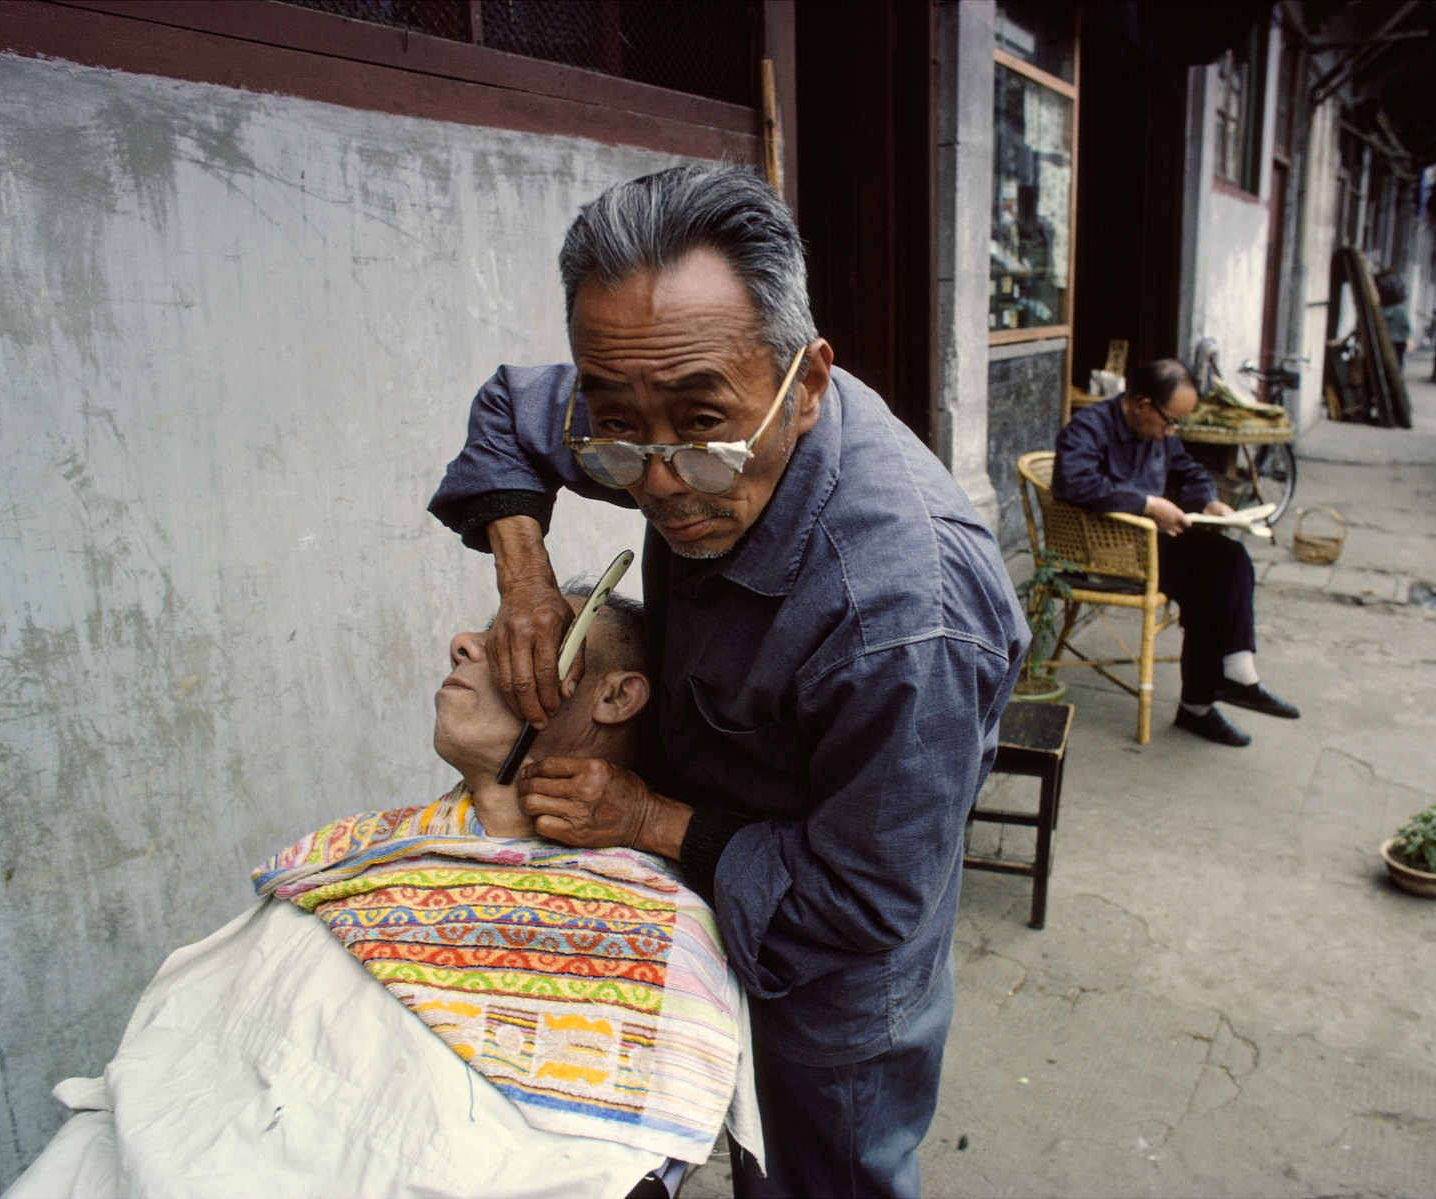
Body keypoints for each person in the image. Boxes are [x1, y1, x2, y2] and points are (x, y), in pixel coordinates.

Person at [427, 164, 1027, 1197]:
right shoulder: (660, 394)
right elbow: (509, 410)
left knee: (814, 1170)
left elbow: (863, 896)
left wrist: (650, 818)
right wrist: (523, 577)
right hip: (711, 886)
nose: (660, 487)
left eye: (703, 431)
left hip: (832, 969)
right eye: (620, 434)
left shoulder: (903, 620)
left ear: (807, 383)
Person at [5, 593, 758, 1199]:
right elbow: (205, 1062)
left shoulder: (651, 928)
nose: (463, 643)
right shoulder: (355, 855)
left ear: (615, 696)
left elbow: (590, 1170)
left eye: (517, 641)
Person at [1051, 359, 1300, 748]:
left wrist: (1209, 501)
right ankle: (1204, 702)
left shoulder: (1160, 429)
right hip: (1106, 549)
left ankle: (1234, 678)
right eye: (1169, 422)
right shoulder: (1089, 426)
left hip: (1149, 543)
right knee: (1211, 583)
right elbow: (1074, 482)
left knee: (1230, 559)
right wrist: (1148, 503)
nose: (1171, 432)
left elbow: (1188, 471)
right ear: (1142, 405)